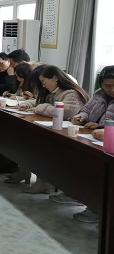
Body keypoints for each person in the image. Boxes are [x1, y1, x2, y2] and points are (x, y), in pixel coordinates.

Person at [46, 65, 114, 224]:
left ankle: (96, 209)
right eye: (107, 86)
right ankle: (76, 194)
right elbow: (86, 110)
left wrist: (103, 129)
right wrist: (81, 117)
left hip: (108, 143)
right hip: (91, 137)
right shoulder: (99, 94)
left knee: (99, 170)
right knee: (76, 159)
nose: (111, 90)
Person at [14, 65, 89, 193]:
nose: (43, 86)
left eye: (44, 81)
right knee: (26, 139)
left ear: (55, 78)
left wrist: (39, 108)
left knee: (41, 145)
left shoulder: (71, 93)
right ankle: (24, 171)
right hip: (54, 129)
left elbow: (65, 112)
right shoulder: (51, 91)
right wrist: (26, 104)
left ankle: (44, 181)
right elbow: (38, 102)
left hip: (70, 134)